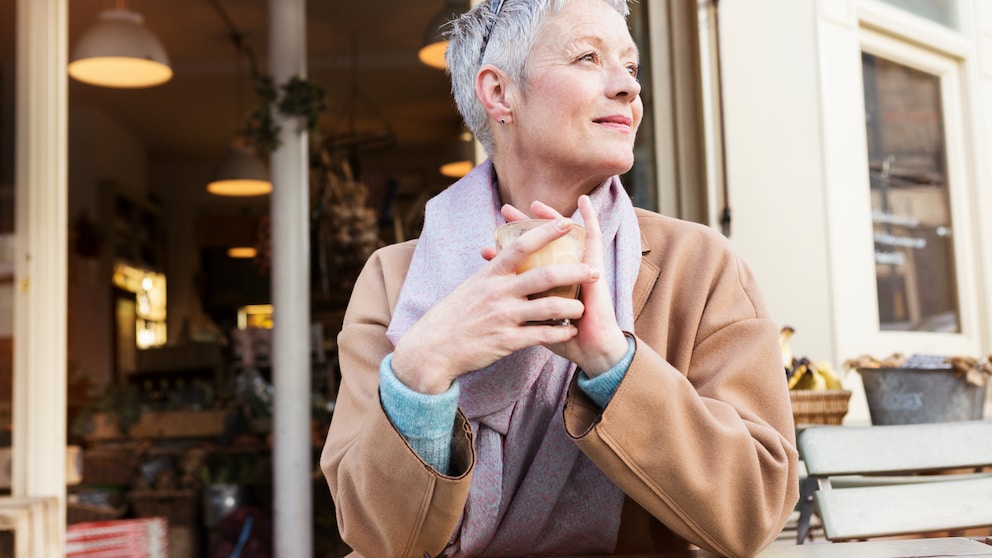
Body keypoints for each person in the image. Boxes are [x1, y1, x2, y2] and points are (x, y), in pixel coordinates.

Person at [320, 0, 799, 556]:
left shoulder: (701, 267)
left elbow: (754, 511)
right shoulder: (396, 281)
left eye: (632, 67)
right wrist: (422, 370)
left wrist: (613, 365)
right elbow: (375, 536)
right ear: (500, 94)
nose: (628, 88)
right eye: (588, 58)